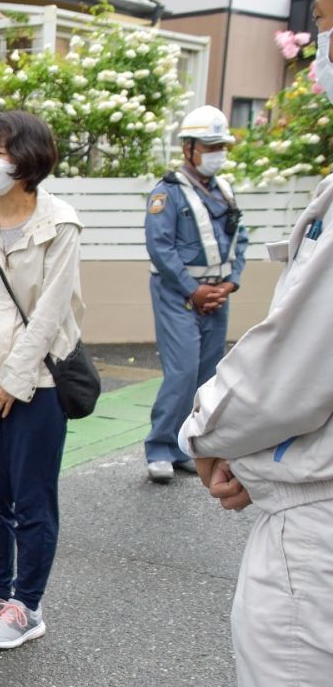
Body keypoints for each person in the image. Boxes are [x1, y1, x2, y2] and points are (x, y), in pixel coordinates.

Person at [179, 2, 333, 687]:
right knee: (184, 381)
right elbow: (169, 252)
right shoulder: (168, 191)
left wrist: (210, 437)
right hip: (190, 302)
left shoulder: (226, 189)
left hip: (316, 523)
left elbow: (292, 370)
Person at [0, 110, 84, 650]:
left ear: (27, 159)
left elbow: (50, 314)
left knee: (31, 499)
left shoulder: (61, 223)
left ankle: (28, 604)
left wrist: (10, 381)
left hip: (39, 383)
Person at [143, 105, 248, 484]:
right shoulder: (167, 193)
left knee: (207, 376)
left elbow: (241, 238)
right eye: (209, 145)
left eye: (220, 145)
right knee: (183, 370)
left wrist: (230, 283)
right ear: (188, 148)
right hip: (178, 295)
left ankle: (183, 447)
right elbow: (160, 247)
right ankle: (158, 447)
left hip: (217, 295)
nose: (217, 152)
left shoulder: (224, 189)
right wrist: (195, 290)